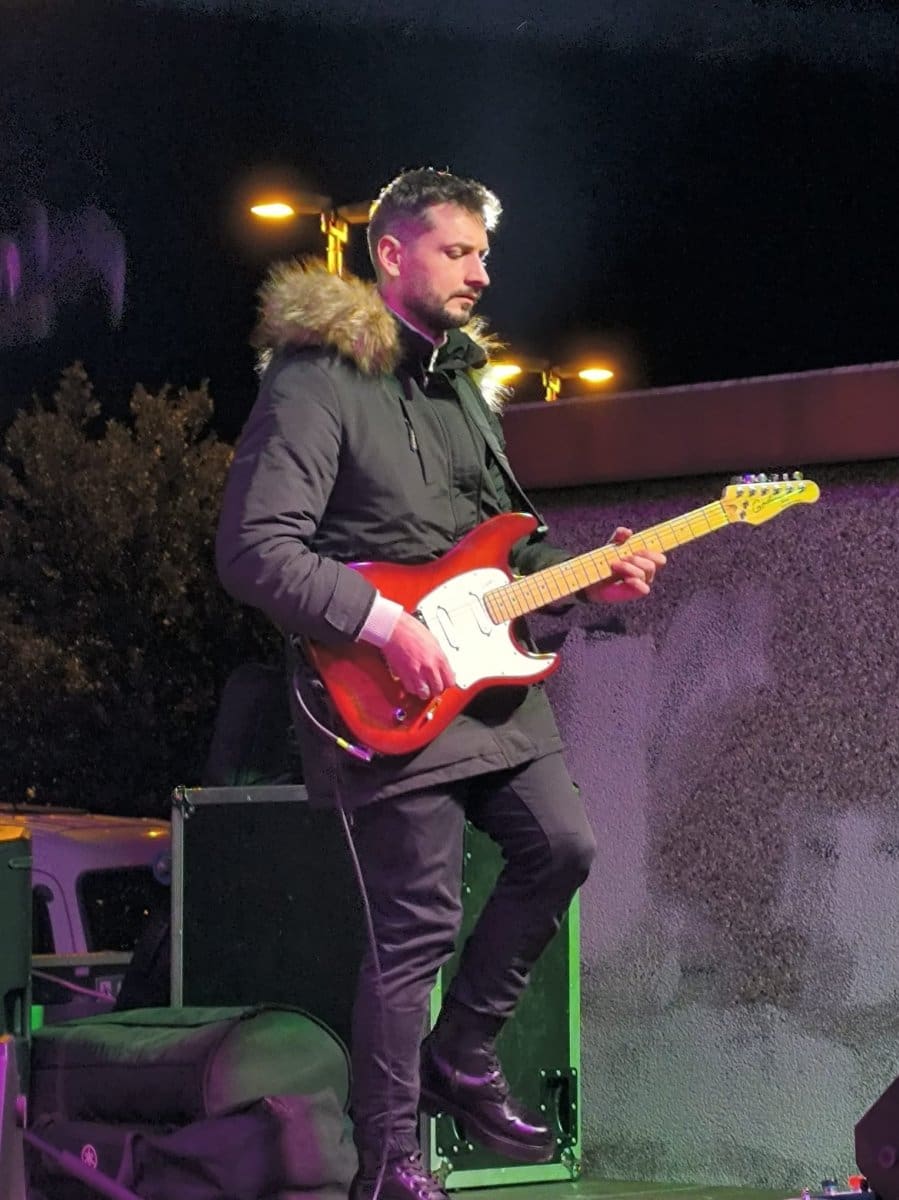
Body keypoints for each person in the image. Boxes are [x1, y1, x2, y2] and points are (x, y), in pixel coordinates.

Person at [216, 167, 665, 1200]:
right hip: (379, 692)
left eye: (484, 254)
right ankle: (387, 1166)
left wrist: (590, 575)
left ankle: (460, 1051)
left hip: (489, 686)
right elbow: (253, 549)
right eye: (458, 251)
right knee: (412, 930)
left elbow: (504, 547)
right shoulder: (317, 378)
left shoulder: (465, 384)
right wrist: (384, 623)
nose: (481, 272)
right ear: (390, 253)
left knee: (563, 846)